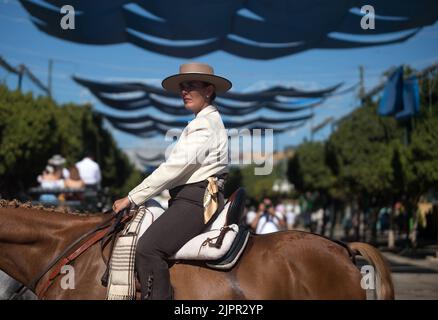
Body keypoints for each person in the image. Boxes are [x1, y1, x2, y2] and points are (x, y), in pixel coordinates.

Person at [112, 62, 231, 300]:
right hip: (189, 198)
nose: (184, 91)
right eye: (182, 87)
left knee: (147, 249)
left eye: (191, 86)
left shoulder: (204, 125)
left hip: (197, 200)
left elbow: (173, 169)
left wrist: (132, 197)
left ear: (208, 90)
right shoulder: (203, 122)